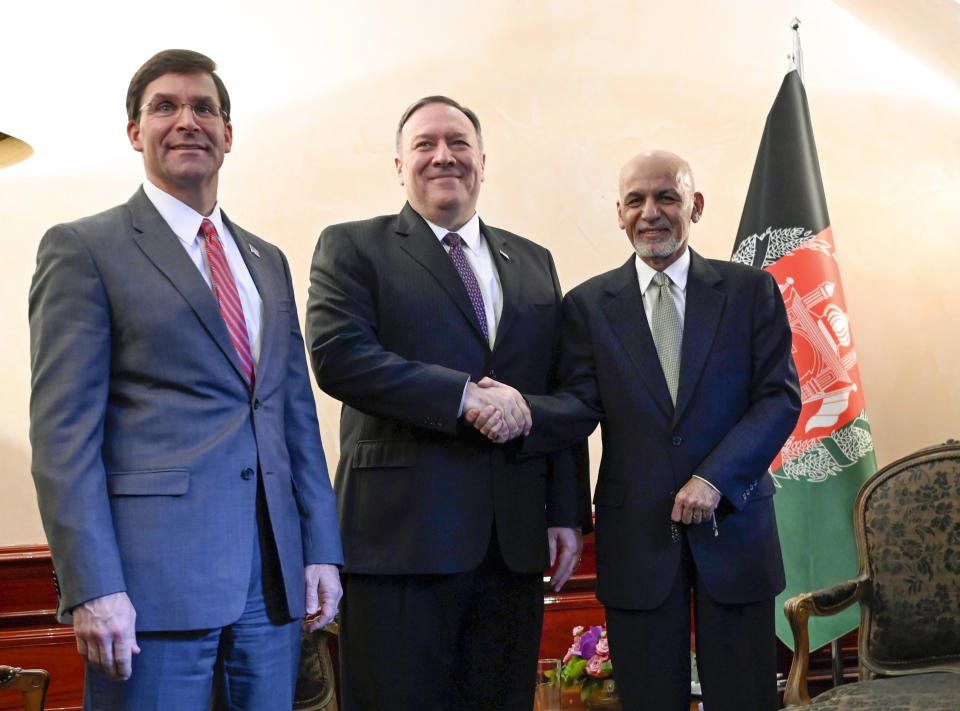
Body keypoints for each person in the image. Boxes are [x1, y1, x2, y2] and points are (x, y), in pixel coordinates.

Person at [28, 49, 343, 710]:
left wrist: (320, 550)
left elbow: (293, 416)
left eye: (204, 107)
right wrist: (92, 585)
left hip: (273, 588)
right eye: (164, 106)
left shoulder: (266, 260)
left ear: (228, 134)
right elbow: (64, 440)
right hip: (148, 593)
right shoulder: (85, 248)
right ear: (134, 133)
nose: (187, 120)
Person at [471, 149, 801, 711]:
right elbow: (579, 407)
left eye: (666, 197)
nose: (651, 212)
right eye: (635, 200)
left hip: (735, 527)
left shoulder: (749, 292)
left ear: (694, 206)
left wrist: (715, 479)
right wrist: (520, 408)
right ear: (619, 214)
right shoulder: (587, 306)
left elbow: (778, 398)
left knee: (745, 698)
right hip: (636, 539)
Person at [304, 95, 592, 711]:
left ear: (482, 161)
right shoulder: (354, 247)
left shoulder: (533, 261)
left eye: (458, 144)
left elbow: (559, 389)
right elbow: (338, 355)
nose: (444, 156)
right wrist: (461, 397)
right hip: (399, 540)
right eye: (426, 144)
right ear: (400, 165)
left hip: (510, 544)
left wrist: (565, 508)